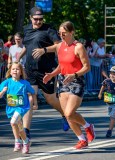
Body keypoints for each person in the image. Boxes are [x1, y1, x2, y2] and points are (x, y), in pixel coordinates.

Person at [42, 21, 95, 149]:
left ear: (72, 32)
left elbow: (87, 67)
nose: (61, 35)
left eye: (64, 33)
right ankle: (82, 139)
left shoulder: (79, 47)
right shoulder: (60, 46)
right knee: (66, 115)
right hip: (63, 81)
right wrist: (51, 75)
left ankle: (88, 126)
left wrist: (75, 75)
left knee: (70, 112)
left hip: (76, 81)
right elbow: (62, 65)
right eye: (60, 33)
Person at [17, 7, 69, 138]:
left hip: (46, 71)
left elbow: (59, 46)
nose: (39, 21)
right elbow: (27, 46)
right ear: (31, 18)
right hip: (30, 70)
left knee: (50, 99)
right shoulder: (26, 29)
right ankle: (26, 131)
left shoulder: (49, 30)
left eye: (41, 19)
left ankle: (65, 114)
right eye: (36, 19)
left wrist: (44, 50)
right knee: (29, 98)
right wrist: (18, 58)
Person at [0, 62, 36, 154]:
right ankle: (26, 141)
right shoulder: (6, 82)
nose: (15, 70)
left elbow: (32, 92)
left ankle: (17, 142)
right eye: (13, 69)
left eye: (17, 69)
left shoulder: (25, 83)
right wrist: (3, 91)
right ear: (10, 71)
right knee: (19, 127)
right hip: (11, 108)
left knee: (13, 122)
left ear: (21, 72)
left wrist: (35, 103)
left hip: (21, 108)